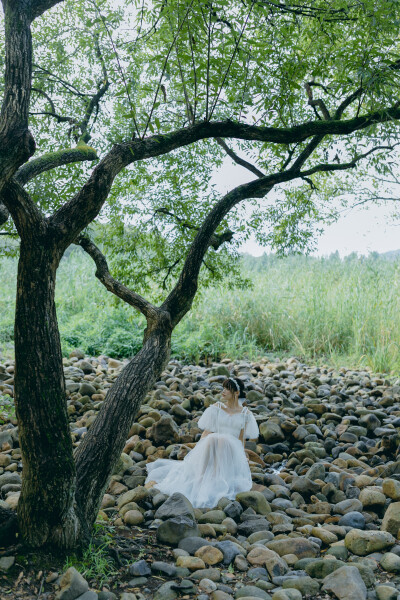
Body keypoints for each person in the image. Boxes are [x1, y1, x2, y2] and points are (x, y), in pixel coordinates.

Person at [145, 376, 259, 508]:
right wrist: (197, 448)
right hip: (213, 447)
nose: (223, 391)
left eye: (227, 389)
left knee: (222, 439)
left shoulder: (245, 414)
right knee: (213, 438)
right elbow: (206, 432)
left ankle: (217, 479)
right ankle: (201, 477)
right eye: (223, 388)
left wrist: (242, 454)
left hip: (230, 451)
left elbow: (240, 439)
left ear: (237, 393)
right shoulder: (217, 408)